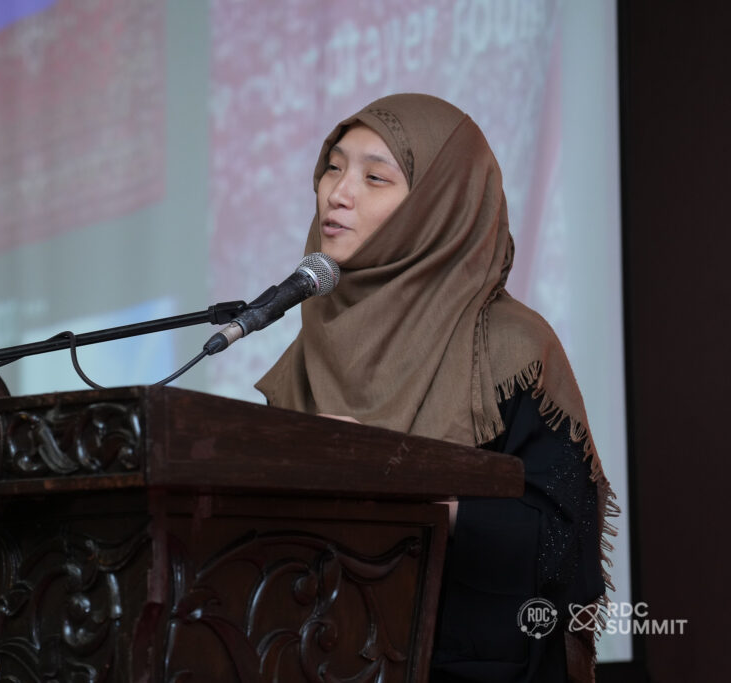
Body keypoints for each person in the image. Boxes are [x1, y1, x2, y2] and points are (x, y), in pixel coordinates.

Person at [255, 93, 617, 682]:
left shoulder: (509, 347)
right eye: (332, 167)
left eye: (375, 177)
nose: (338, 192)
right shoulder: (306, 354)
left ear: (440, 204)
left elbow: (560, 546)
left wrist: (395, 482)